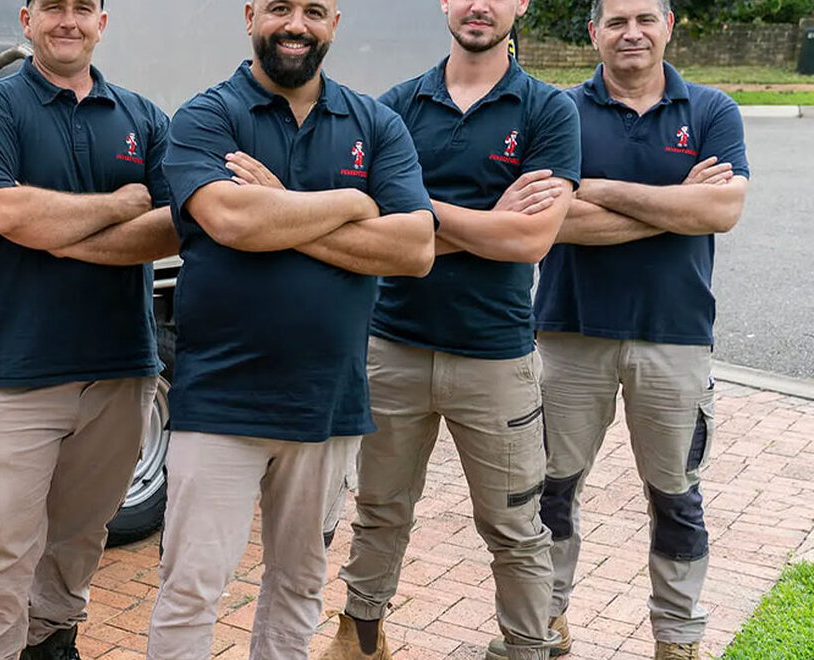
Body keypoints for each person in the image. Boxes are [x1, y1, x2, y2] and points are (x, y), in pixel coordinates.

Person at [145, 1, 437, 657]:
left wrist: (279, 203)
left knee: (299, 585)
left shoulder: (374, 124)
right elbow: (232, 221)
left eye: (313, 10)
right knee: (191, 587)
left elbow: (415, 247)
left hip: (328, 403)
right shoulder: (209, 115)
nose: (296, 24)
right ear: (251, 15)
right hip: (221, 399)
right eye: (279, 7)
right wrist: (355, 203)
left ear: (335, 22)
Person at [321, 0, 582, 658]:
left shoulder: (548, 111)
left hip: (496, 357)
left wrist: (418, 217)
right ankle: (360, 640)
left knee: (514, 526)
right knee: (379, 510)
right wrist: (488, 219)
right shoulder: (395, 107)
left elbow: (530, 240)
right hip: (393, 345)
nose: (479, 5)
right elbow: (368, 227)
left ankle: (527, 646)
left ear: (521, 4)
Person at [0, 0, 178, 657]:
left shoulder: (142, 117)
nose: (68, 20)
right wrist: (119, 204)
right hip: (17, 369)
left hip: (120, 369)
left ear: (103, 23)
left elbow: (174, 226)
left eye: (83, 8)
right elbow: (5, 212)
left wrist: (60, 233)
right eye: (53, 6)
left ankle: (51, 641)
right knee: (1, 543)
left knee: (81, 534)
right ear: (27, 20)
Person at [530, 1, 749, 658]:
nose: (632, 33)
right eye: (617, 21)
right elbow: (550, 221)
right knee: (551, 490)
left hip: (675, 334)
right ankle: (543, 621)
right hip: (569, 332)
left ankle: (676, 638)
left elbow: (722, 209)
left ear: (668, 26)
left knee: (675, 493)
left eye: (645, 19)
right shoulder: (560, 111)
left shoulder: (711, 110)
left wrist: (595, 189)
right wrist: (678, 204)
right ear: (593, 32)